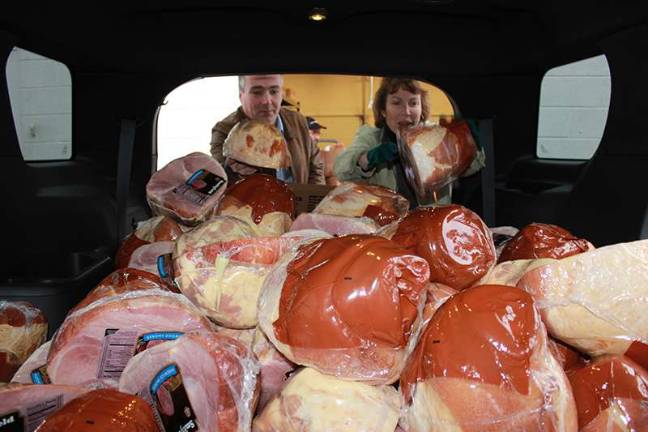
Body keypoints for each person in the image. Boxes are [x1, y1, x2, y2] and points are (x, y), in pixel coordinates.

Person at [333, 77, 484, 205]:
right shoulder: (371, 137)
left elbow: (473, 167)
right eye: (397, 103)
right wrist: (368, 158)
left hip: (431, 221)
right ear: (383, 110)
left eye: (413, 103)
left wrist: (470, 145)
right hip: (387, 226)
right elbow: (341, 170)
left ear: (421, 108)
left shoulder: (435, 136)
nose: (406, 112)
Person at [210, 74, 325, 184]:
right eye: (257, 92)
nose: (267, 101)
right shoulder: (223, 131)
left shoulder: (297, 121)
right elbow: (220, 181)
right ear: (241, 96)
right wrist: (231, 172)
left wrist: (310, 200)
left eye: (274, 91)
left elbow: (316, 167)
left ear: (281, 94)